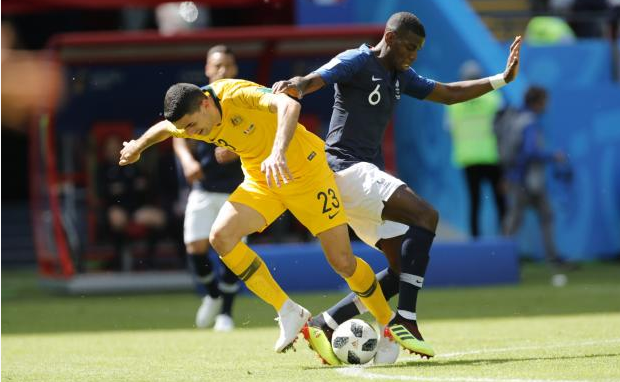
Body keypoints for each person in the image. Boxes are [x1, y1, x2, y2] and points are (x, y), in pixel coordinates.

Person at [272, 11, 521, 365]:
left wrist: (501, 79)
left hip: (358, 182)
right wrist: (294, 85)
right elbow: (315, 79)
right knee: (426, 215)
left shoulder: (400, 75)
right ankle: (405, 319)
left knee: (402, 268)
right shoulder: (357, 59)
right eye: (408, 46)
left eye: (418, 50)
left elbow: (448, 93)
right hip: (345, 169)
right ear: (388, 38)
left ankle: (324, 324)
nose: (413, 55)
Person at [118, 79, 418, 354]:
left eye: (193, 126)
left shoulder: (235, 95)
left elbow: (290, 104)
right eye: (187, 129)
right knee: (221, 238)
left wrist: (277, 150)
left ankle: (387, 325)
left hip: (308, 175)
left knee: (343, 262)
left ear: (205, 104)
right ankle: (288, 311)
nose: (193, 133)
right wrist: (137, 147)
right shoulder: (190, 119)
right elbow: (164, 129)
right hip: (263, 181)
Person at [172, 45, 244, 331]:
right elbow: (176, 134)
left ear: (235, 69)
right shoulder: (196, 99)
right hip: (203, 188)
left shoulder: (241, 96)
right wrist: (187, 161)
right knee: (195, 247)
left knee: (230, 250)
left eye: (228, 65)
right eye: (218, 66)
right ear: (207, 68)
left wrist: (240, 149)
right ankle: (213, 295)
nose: (223, 71)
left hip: (237, 190)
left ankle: (226, 313)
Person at [501, 86, 568, 273]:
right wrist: (552, 156)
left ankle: (502, 259)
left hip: (517, 177)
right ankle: (550, 258)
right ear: (537, 102)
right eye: (545, 100)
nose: (547, 105)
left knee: (519, 219)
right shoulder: (530, 122)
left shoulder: (518, 118)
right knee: (529, 218)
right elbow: (529, 152)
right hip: (527, 180)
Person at [446, 60, 506, 238]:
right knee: (499, 200)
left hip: (467, 157)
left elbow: (449, 129)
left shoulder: (454, 102)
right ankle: (505, 240)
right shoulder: (493, 98)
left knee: (475, 202)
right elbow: (503, 128)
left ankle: (476, 243)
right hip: (492, 156)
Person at [98, 134, 167, 271]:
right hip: (116, 209)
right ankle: (118, 259)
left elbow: (146, 187)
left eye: (116, 148)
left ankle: (149, 259)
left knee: (159, 218)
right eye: (110, 148)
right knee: (116, 217)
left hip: (137, 208)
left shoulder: (134, 165)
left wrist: (123, 188)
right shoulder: (103, 170)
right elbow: (104, 193)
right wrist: (129, 187)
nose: (113, 151)